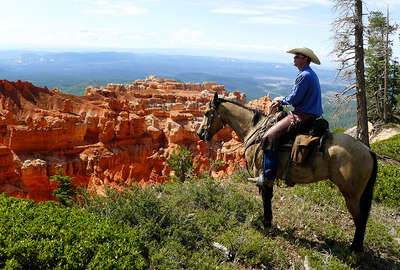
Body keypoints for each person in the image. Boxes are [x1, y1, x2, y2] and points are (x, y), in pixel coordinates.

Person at [260, 47, 323, 187]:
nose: (294, 58)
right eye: (295, 56)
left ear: (305, 59)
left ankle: (268, 177)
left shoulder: (304, 75)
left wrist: (280, 100)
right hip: (309, 114)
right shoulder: (309, 74)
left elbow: (295, 98)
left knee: (269, 136)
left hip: (302, 115)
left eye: (297, 56)